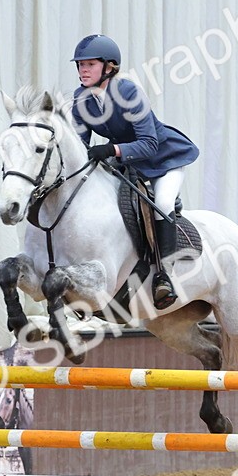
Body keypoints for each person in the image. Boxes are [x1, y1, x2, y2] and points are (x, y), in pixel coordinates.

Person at [69, 34, 199, 310]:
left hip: (164, 159)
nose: (83, 70)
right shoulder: (81, 98)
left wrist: (112, 150)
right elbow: (80, 143)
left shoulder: (128, 93)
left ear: (109, 67)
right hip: (129, 163)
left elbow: (149, 143)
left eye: (90, 64)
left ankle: (165, 277)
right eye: (80, 64)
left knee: (162, 204)